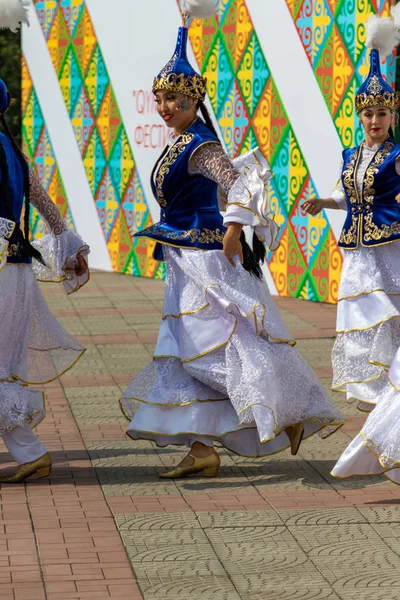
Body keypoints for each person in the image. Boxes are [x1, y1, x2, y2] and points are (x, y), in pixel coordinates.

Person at [119, 2, 344, 479]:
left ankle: (287, 409)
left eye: (172, 100)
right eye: (159, 99)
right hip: (183, 257)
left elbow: (239, 183)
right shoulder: (181, 141)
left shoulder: (200, 143)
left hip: (205, 258)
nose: (163, 108)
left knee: (214, 344)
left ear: (193, 101)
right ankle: (201, 447)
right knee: (184, 348)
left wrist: (234, 230)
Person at [302, 13, 400, 482]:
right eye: (368, 113)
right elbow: (350, 192)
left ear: (393, 114)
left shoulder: (398, 156)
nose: (375, 120)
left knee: (386, 317)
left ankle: (389, 408)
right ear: (359, 115)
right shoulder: (350, 154)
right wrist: (324, 201)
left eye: (382, 113)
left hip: (389, 249)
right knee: (360, 323)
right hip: (358, 253)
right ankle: (382, 402)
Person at [0, 78, 90, 483]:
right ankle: (30, 453)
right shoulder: (13, 154)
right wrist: (69, 247)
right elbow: (47, 207)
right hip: (16, 271)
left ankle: (32, 452)